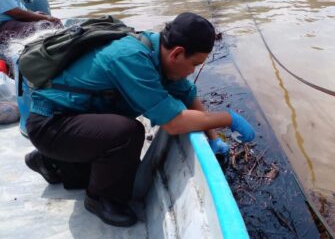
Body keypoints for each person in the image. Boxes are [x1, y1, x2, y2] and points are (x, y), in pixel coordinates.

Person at [24, 12, 255, 227]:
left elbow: (188, 95)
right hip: (50, 125)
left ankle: (50, 161)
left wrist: (214, 139)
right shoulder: (131, 57)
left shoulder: (157, 50)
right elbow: (174, 123)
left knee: (99, 161)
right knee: (127, 133)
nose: (192, 71)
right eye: (194, 64)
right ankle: (101, 198)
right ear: (177, 53)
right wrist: (228, 119)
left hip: (71, 121)